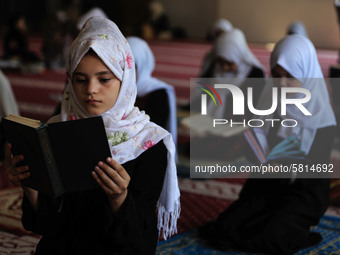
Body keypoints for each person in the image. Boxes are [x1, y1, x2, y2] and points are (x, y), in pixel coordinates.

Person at [3, 17, 180, 255]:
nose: (91, 90)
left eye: (104, 79)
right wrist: (31, 184)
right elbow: (48, 226)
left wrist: (119, 199)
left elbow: (140, 241)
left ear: (124, 78)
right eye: (80, 79)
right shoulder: (57, 131)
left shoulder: (147, 142)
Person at [199, 34, 336, 255]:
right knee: (225, 230)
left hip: (302, 192)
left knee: (273, 238)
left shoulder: (322, 118)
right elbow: (257, 147)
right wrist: (249, 142)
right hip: (267, 184)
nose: (281, 84)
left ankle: (303, 231)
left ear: (307, 75)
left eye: (290, 77)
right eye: (276, 75)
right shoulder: (270, 101)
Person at [126, 36, 177, 148]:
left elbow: (155, 132)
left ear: (143, 65)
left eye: (131, 67)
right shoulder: (117, 88)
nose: (126, 73)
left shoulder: (157, 93)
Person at [203, 28, 266, 120]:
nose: (224, 68)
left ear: (239, 56)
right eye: (221, 63)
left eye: (229, 63)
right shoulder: (215, 68)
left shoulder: (255, 73)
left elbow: (258, 104)